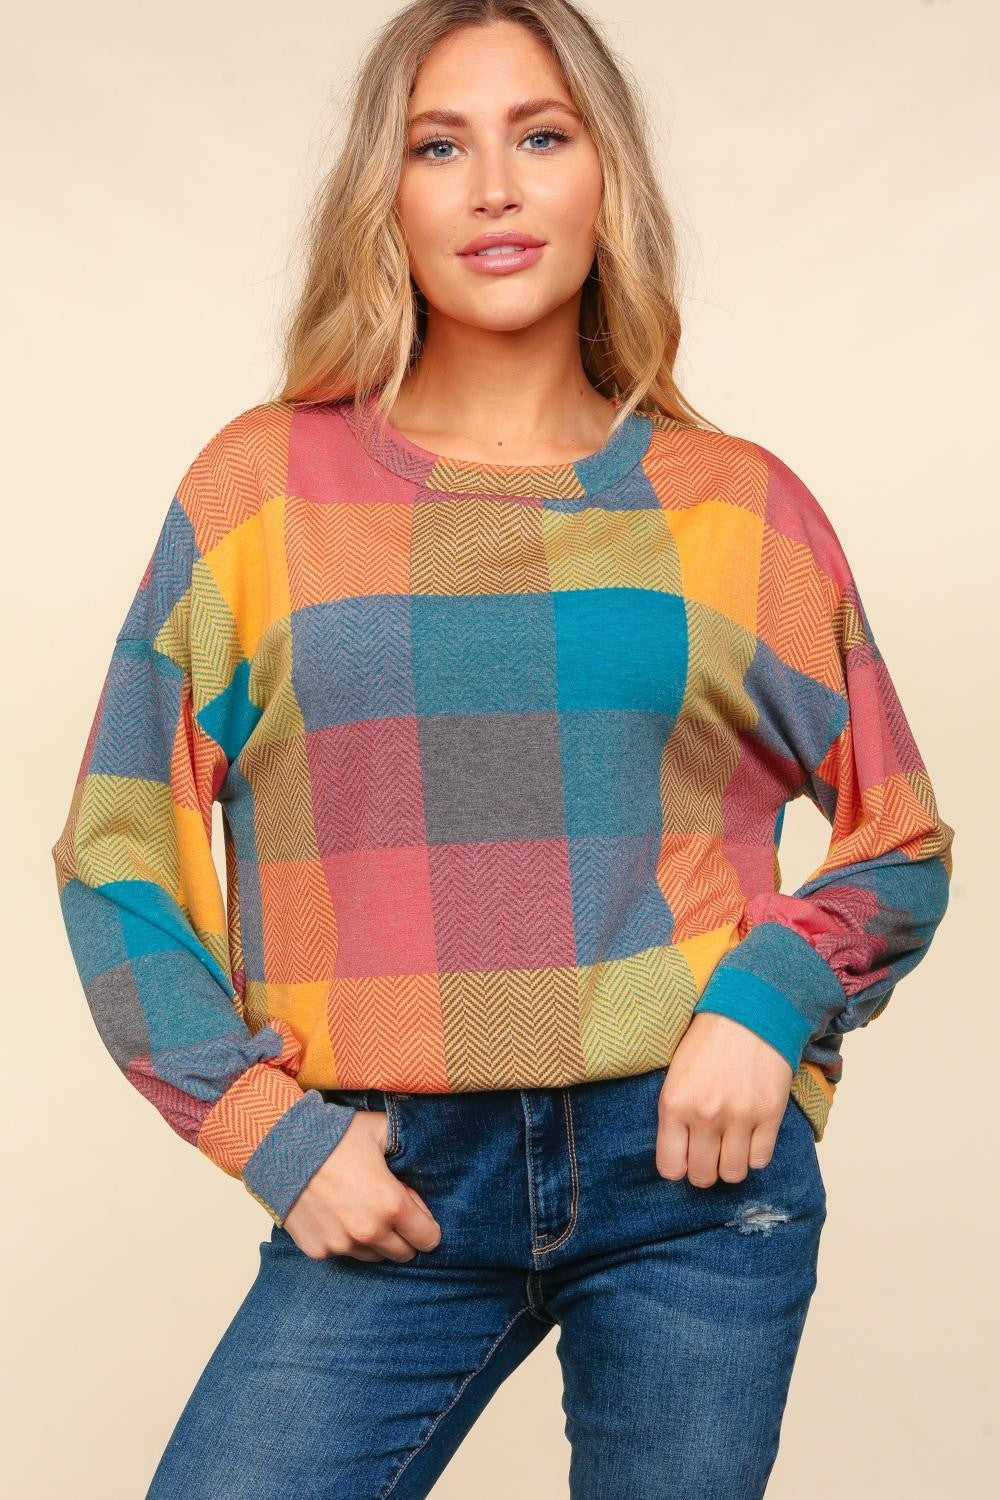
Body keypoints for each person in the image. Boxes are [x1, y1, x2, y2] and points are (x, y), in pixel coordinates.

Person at [50, 2, 955, 1496]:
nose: (493, 186)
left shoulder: (735, 505)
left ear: (606, 180)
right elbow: (118, 849)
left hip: (692, 1176)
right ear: (385, 197)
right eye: (438, 145)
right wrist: (267, 1129)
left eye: (541, 136)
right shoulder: (260, 489)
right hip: (389, 1173)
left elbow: (899, 837)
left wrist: (768, 1002)